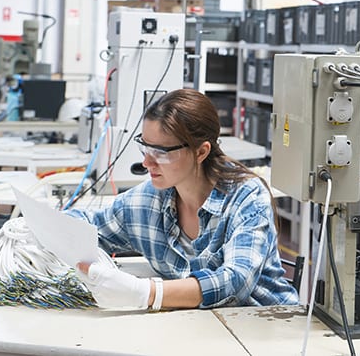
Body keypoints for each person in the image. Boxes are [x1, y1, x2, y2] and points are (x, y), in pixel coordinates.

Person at [69, 88, 299, 310]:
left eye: (160, 153)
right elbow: (88, 225)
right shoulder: (149, 200)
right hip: (200, 328)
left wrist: (146, 292)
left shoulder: (246, 197)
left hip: (266, 327)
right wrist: (42, 231)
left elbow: (235, 281)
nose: (147, 163)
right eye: (145, 148)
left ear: (201, 152)